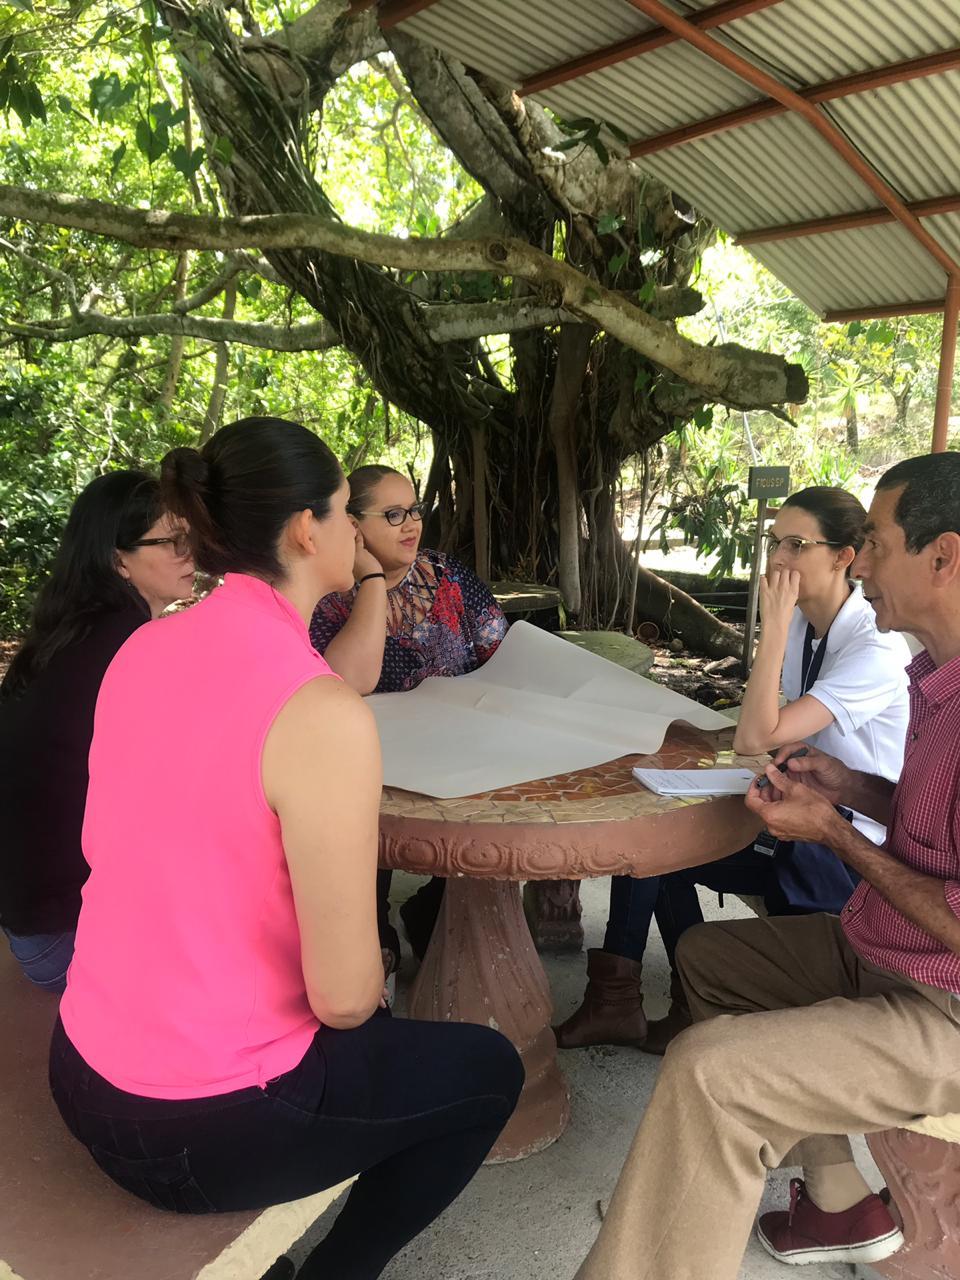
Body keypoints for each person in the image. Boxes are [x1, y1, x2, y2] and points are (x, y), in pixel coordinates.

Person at [49, 418, 522, 1280]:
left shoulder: (140, 649)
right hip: (198, 1129)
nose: (354, 532)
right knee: (487, 1070)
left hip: (81, 1073)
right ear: (308, 529)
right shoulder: (320, 714)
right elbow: (342, 1000)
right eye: (346, 512)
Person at [574, 452, 960, 1280]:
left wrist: (837, 831)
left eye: (876, 544)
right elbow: (938, 824)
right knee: (711, 960)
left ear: (944, 555)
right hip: (888, 946)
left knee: (710, 1072)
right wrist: (852, 785)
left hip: (948, 1000)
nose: (864, 561)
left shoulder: (899, 661)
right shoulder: (935, 674)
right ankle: (832, 1198)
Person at [556, 486, 910, 1054]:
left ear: (844, 557)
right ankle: (624, 999)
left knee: (664, 851)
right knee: (657, 842)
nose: (777, 561)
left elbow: (754, 734)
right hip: (798, 811)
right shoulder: (806, 628)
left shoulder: (873, 650)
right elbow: (764, 731)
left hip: (844, 846)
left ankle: (662, 1004)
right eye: (774, 544)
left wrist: (771, 628)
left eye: (796, 545)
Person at [0, 470, 195, 992]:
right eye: (173, 540)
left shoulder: (75, 636)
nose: (191, 551)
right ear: (118, 561)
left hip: (33, 925)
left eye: (191, 534)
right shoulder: (128, 649)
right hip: (67, 940)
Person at [310, 464, 508, 971]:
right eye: (393, 514)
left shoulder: (447, 576)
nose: (411, 525)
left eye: (415, 510)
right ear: (352, 527)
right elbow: (332, 688)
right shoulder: (328, 598)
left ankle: (432, 914)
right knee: (361, 836)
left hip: (461, 755)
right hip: (368, 768)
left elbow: (501, 655)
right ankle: (373, 935)